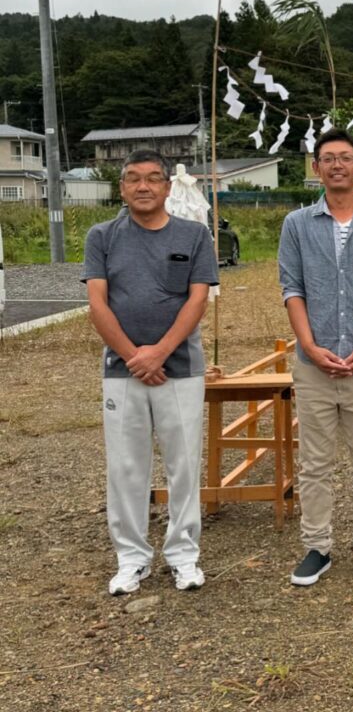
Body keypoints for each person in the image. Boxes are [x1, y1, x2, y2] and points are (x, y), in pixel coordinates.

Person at [83, 150, 218, 595]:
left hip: (180, 368)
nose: (143, 186)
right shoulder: (102, 237)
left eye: (153, 179)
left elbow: (197, 300)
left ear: (166, 188)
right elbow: (98, 303)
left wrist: (159, 353)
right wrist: (133, 356)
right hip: (121, 371)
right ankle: (131, 558)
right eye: (133, 179)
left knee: (184, 463)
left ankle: (183, 555)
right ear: (120, 188)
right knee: (125, 466)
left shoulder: (195, 235)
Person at [278, 129, 353, 586]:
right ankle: (316, 546)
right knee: (314, 462)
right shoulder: (296, 225)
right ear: (316, 168)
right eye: (327, 158)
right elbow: (292, 288)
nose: (336, 165)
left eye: (345, 158)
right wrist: (309, 347)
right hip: (314, 364)